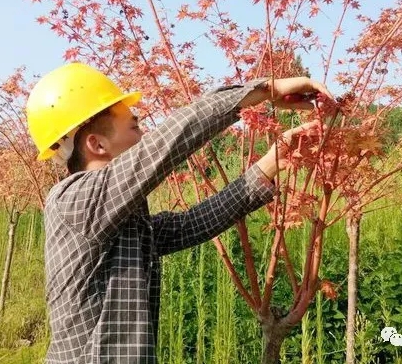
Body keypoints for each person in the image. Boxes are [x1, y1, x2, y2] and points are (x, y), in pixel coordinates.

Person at [25, 62, 332, 364]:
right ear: (97, 144)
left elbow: (191, 224)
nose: (143, 133)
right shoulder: (73, 200)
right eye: (134, 126)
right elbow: (168, 142)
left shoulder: (121, 217)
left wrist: (271, 163)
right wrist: (263, 90)